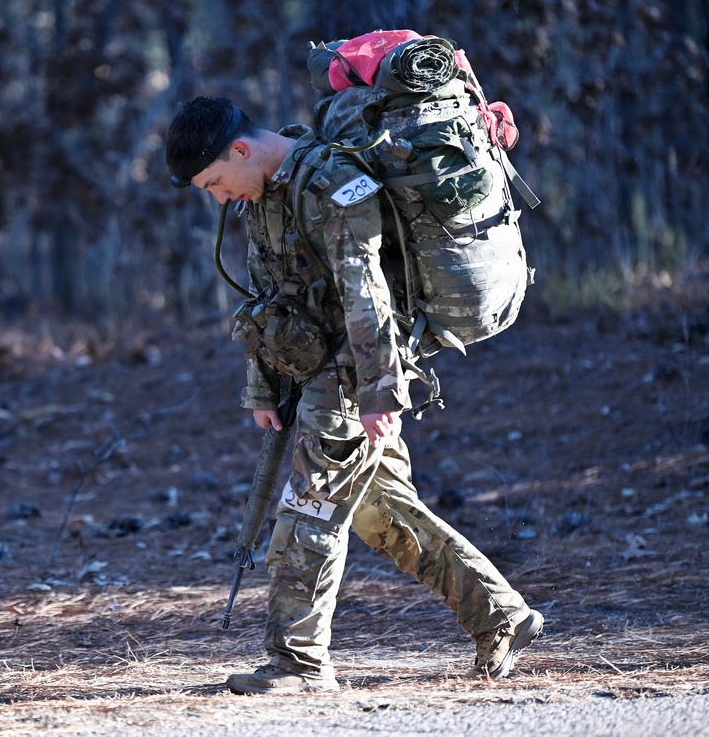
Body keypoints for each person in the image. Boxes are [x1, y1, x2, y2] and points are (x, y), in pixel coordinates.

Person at [165, 96, 544, 695]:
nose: (218, 197)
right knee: (380, 513)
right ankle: (500, 615)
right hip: (314, 371)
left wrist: (380, 391)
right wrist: (263, 384)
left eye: (215, 181)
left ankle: (298, 664)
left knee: (307, 513)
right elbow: (267, 294)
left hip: (352, 372)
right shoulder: (264, 193)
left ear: (240, 150)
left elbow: (367, 294)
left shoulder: (332, 185)